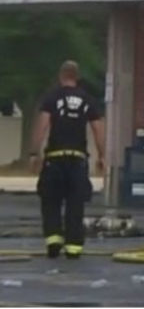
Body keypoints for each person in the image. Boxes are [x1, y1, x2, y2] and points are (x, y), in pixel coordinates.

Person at [28, 61, 105, 259]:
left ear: (60, 76)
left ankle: (53, 242)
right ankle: (73, 248)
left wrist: (34, 154)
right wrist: (102, 155)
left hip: (55, 159)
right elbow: (98, 128)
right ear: (77, 77)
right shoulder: (87, 99)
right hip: (77, 160)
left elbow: (42, 124)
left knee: (50, 201)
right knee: (75, 203)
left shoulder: (51, 98)